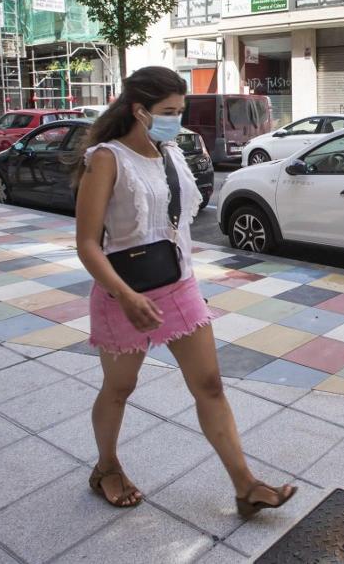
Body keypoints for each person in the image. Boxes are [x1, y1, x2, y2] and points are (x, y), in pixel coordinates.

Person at [74, 66, 295, 514]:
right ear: (139, 111)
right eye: (169, 111)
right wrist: (126, 296)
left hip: (178, 286)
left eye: (180, 110)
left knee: (210, 385)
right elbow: (86, 245)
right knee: (120, 388)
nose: (178, 119)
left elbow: (174, 227)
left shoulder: (170, 151)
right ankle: (106, 468)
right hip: (124, 291)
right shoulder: (107, 159)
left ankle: (246, 485)